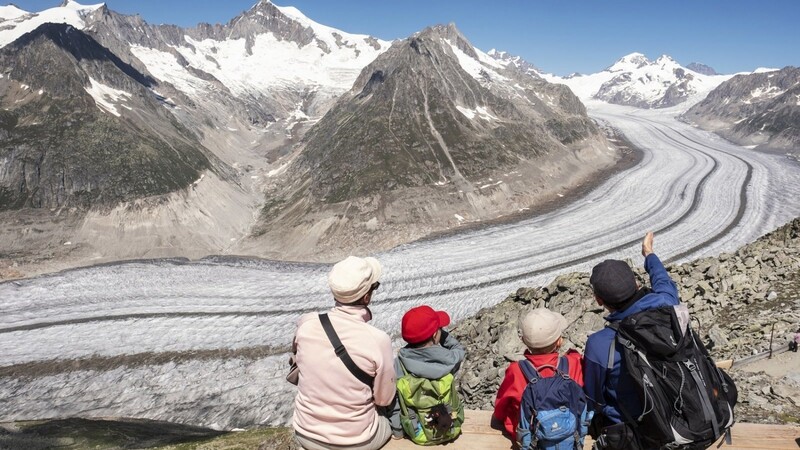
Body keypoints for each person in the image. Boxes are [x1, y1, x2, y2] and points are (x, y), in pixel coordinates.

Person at [583, 232, 679, 445]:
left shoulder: (599, 345)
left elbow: (594, 397)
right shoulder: (668, 307)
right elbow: (664, 282)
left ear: (599, 300)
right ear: (636, 284)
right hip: (679, 416)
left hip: (633, 433)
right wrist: (649, 254)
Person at [292, 256, 396, 450]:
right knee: (393, 418)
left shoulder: (306, 324)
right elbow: (383, 399)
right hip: (356, 441)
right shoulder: (377, 339)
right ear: (366, 297)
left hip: (305, 433)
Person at [492, 307, 584, 439]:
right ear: (559, 341)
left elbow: (500, 411)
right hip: (569, 432)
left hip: (531, 438)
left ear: (524, 341)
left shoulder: (516, 370)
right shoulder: (573, 363)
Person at [390, 305, 466, 443]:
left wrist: (398, 431)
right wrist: (441, 336)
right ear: (435, 334)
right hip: (452, 426)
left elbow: (394, 401)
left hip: (417, 434)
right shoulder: (449, 360)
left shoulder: (399, 364)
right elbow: (459, 349)